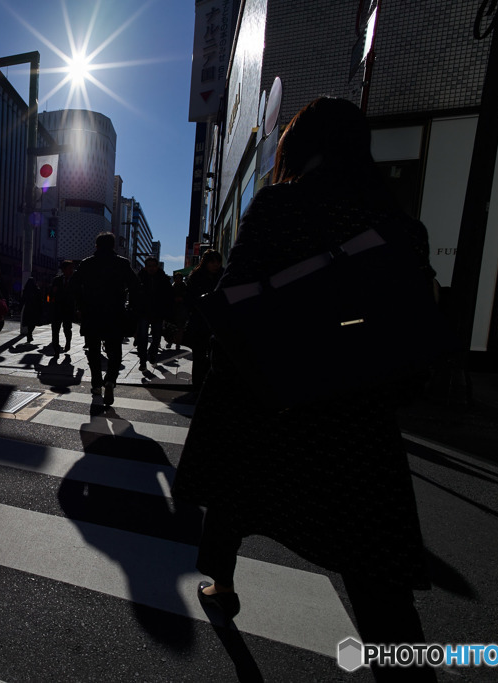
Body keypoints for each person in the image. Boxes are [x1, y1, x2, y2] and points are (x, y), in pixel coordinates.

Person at [173, 97, 436, 682]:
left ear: (298, 147)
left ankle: (222, 580)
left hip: (277, 395)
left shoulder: (282, 204)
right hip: (358, 411)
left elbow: (235, 302)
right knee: (378, 578)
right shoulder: (395, 222)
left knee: (235, 492)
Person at [70, 232, 140, 406]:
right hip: (115, 312)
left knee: (93, 351)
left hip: (92, 312)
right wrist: (130, 307)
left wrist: (81, 304)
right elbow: (135, 286)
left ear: (96, 245)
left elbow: (73, 285)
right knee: (115, 350)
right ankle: (110, 380)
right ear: (113, 246)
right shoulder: (122, 263)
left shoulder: (87, 263)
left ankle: (96, 384)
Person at [183, 249, 223, 389]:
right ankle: (198, 386)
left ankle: (210, 386)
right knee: (199, 356)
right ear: (206, 263)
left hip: (218, 322)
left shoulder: (223, 276)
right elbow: (189, 300)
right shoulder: (196, 276)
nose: (216, 265)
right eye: (212, 262)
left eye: (218, 262)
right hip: (200, 321)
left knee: (215, 356)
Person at [135, 257, 172, 370]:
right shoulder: (139, 278)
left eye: (153, 266)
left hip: (158, 312)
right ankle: (142, 360)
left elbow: (169, 296)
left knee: (156, 337)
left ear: (157, 267)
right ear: (145, 267)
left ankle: (152, 353)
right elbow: (134, 294)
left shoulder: (163, 279)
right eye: (149, 266)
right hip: (143, 312)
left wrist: (167, 312)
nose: (151, 268)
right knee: (143, 338)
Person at [48, 260, 76, 354]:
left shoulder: (75, 280)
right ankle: (56, 348)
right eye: (69, 268)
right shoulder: (57, 280)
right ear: (64, 270)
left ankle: (68, 342)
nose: (72, 270)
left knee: (67, 328)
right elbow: (49, 294)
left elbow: (79, 294)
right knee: (55, 329)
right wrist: (50, 303)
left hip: (68, 309)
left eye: (72, 268)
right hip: (57, 309)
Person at [168, 271, 188, 351]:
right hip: (173, 309)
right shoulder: (172, 287)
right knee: (171, 326)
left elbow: (187, 298)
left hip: (181, 310)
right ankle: (170, 341)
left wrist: (182, 299)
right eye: (176, 278)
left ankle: (177, 344)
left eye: (179, 278)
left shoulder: (185, 287)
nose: (178, 280)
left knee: (180, 327)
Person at [20, 277, 44, 343]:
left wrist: (20, 307)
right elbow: (40, 300)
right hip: (35, 309)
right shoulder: (37, 289)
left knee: (28, 322)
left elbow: (23, 299)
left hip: (28, 308)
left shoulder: (26, 290)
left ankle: (29, 334)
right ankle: (29, 334)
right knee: (33, 323)